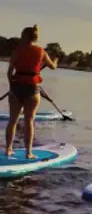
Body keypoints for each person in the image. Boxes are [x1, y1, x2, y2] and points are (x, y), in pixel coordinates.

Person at [5, 25, 58, 159]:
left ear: (25, 36)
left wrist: (12, 87)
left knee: (12, 121)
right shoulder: (41, 52)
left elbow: (9, 73)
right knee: (29, 121)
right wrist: (55, 61)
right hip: (32, 89)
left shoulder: (17, 51)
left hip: (16, 88)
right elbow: (53, 66)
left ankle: (8, 149)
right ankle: (28, 153)